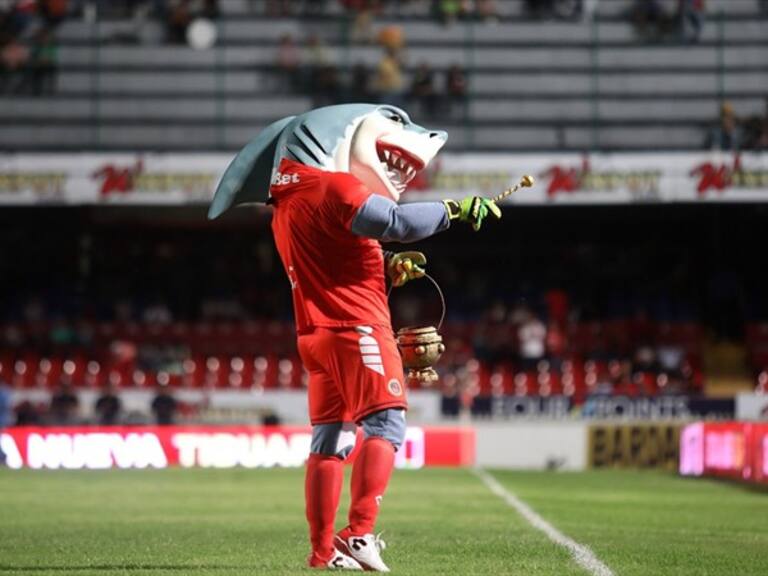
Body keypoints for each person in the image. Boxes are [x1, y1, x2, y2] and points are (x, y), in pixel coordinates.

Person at [211, 103, 501, 570]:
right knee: (387, 425)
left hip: (315, 336)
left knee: (330, 442)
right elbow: (397, 223)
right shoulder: (334, 186)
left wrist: (386, 267)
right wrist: (456, 210)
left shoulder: (285, 202)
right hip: (355, 329)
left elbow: (333, 256)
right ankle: (359, 533)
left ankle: (322, 551)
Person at [0, 379, 11, 466]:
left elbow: (4, 407)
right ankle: (2, 456)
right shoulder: (5, 392)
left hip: (2, 419)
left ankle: (2, 456)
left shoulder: (4, 392)